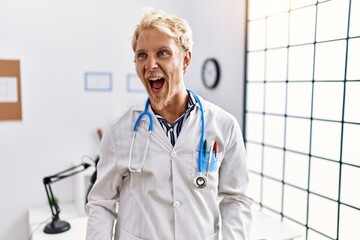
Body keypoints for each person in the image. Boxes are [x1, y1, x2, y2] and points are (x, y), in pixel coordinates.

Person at [86, 7, 252, 240]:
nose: (150, 64)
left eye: (162, 53)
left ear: (185, 60)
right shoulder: (120, 131)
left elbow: (236, 199)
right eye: (142, 55)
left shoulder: (224, 126)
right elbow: (101, 202)